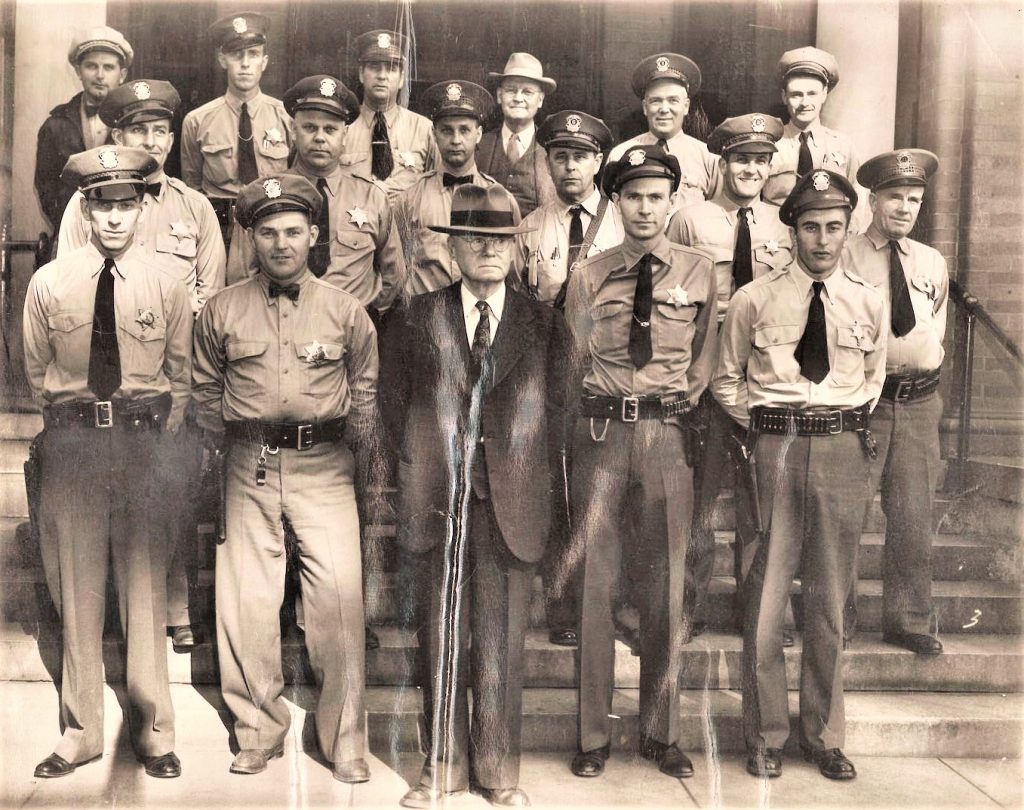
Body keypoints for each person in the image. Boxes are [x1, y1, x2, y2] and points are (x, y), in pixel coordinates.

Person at [382, 183, 567, 809]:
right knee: (442, 638)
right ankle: (441, 771)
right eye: (474, 240)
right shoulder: (412, 317)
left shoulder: (543, 321)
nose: (487, 251)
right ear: (454, 247)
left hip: (510, 503)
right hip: (439, 500)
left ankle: (498, 775)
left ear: (515, 249)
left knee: (500, 643)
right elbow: (391, 410)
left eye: (499, 241)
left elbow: (560, 414)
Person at [192, 175, 377, 781]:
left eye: (293, 231)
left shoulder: (346, 311)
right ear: (251, 238)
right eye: (267, 232)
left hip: (325, 464)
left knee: (337, 603)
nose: (280, 243)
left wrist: (354, 460)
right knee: (247, 601)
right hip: (248, 464)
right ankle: (258, 729)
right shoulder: (221, 309)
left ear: (314, 235)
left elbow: (367, 396)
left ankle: (345, 741)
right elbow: (203, 394)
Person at [713, 169, 886, 781]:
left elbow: (873, 380)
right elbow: (726, 378)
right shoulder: (754, 299)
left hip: (839, 448)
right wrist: (765, 426)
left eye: (834, 227)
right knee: (763, 598)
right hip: (775, 450)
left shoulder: (869, 299)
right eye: (810, 226)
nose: (821, 239)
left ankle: (824, 734)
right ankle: (764, 734)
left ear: (847, 229)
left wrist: (833, 421)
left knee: (830, 599)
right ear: (792, 229)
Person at [24, 145, 190, 780]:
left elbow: (180, 374)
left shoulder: (167, 283)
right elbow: (36, 368)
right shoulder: (51, 282)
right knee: (78, 586)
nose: (115, 218)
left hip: (143, 443)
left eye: (127, 205)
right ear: (85, 209)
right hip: (73, 445)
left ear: (143, 209)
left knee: (144, 587)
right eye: (103, 205)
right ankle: (81, 730)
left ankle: (153, 730)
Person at [56, 78, 226, 651]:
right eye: (137, 130)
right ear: (116, 134)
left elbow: (210, 291)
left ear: (174, 137)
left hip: (172, 374)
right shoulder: (88, 204)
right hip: (104, 372)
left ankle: (173, 607)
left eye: (159, 131)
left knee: (168, 488)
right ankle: (109, 608)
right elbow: (67, 287)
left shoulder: (195, 207)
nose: (150, 142)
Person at [567, 145, 717, 781]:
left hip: (665, 437)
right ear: (617, 203)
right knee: (595, 590)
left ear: (673, 201)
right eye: (633, 196)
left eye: (656, 196)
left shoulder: (702, 272)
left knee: (666, 589)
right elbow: (572, 362)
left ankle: (661, 732)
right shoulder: (588, 275)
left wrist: (681, 402)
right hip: (602, 434)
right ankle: (592, 736)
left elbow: (706, 357)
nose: (645, 207)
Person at [667, 113, 794, 643]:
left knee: (761, 501)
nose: (751, 170)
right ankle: (683, 608)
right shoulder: (692, 219)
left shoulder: (784, 224)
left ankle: (759, 610)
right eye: (741, 159)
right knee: (697, 499)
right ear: (723, 163)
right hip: (705, 372)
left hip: (761, 375)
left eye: (761, 161)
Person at [513, 109, 620, 647]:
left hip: (609, 370)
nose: (571, 167)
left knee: (604, 487)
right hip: (553, 371)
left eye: (581, 157)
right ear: (547, 162)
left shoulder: (624, 221)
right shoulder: (530, 227)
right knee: (558, 486)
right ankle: (563, 606)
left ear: (599, 162)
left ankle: (610, 604)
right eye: (560, 157)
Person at [843, 148, 947, 655]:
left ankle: (908, 620)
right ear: (872, 198)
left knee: (912, 514)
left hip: (920, 402)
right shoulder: (843, 254)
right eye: (894, 197)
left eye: (914, 199)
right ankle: (834, 619)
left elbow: (934, 329)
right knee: (845, 513)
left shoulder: (931, 262)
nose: (905, 207)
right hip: (865, 403)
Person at [226, 74, 406, 318]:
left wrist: (364, 317)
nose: (320, 137)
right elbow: (241, 277)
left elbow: (393, 275)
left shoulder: (372, 199)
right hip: (280, 325)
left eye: (330, 129)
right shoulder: (262, 196)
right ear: (293, 131)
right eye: (310, 127)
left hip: (351, 329)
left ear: (345, 136)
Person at [396, 80, 518, 297]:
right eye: (446, 131)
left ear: (478, 134)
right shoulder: (410, 199)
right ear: (434, 134)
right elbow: (396, 269)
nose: (455, 140)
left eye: (464, 130)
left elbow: (512, 270)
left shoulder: (502, 199)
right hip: (428, 317)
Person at [180, 12, 292, 245]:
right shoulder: (197, 121)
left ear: (264, 61)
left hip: (273, 225)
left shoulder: (286, 117)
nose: (245, 63)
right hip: (219, 230)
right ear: (222, 60)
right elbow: (192, 188)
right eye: (236, 54)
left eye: (253, 54)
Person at [35, 26, 132, 231]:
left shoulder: (134, 125)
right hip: (70, 230)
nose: (99, 75)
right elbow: (45, 188)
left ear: (122, 74)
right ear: (78, 71)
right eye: (91, 66)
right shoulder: (55, 125)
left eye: (108, 67)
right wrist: (72, 226)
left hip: (122, 230)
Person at [607, 53, 720, 215]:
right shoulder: (619, 154)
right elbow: (610, 216)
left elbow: (717, 217)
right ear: (645, 107)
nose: (664, 109)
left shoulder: (708, 158)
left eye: (673, 100)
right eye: (656, 101)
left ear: (686, 106)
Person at [764, 47, 864, 229]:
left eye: (812, 94)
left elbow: (857, 204)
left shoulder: (843, 146)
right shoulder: (769, 145)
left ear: (824, 94)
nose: (804, 103)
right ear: (784, 97)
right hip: (776, 244)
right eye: (796, 95)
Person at [339, 29, 440, 202]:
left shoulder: (424, 129)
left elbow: (438, 189)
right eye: (374, 67)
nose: (382, 76)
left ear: (401, 78)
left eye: (391, 68)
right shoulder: (342, 126)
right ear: (361, 74)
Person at [477, 53, 558, 218]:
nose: (518, 98)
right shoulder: (479, 145)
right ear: (499, 96)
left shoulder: (551, 149)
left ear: (540, 99)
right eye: (511, 90)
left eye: (527, 92)